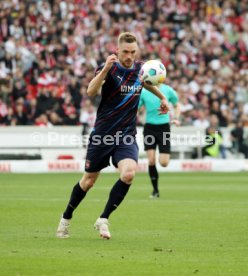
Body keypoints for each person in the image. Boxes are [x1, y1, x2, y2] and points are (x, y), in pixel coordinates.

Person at [56, 32, 170, 239]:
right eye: (125, 52)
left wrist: (163, 98)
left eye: (133, 52)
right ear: (117, 50)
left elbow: (147, 83)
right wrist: (105, 71)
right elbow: (91, 92)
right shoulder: (110, 67)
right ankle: (66, 217)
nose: (129, 56)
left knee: (128, 174)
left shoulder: (140, 69)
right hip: (102, 135)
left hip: (126, 135)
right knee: (88, 181)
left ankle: (103, 218)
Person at [139, 83, 180, 198]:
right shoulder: (144, 91)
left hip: (164, 128)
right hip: (149, 128)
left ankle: (155, 189)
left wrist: (176, 118)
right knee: (151, 160)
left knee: (164, 163)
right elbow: (136, 108)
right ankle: (155, 190)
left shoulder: (168, 90)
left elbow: (177, 105)